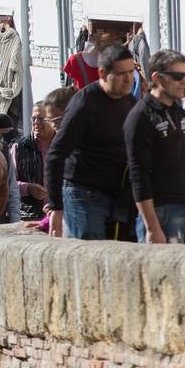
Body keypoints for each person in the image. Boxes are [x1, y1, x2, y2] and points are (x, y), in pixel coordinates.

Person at [124, 49, 185, 245]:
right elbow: (138, 175)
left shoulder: (177, 112)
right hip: (162, 211)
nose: (184, 82)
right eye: (178, 76)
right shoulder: (141, 117)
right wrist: (152, 227)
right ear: (157, 78)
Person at [45, 45, 140, 240]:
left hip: (118, 195)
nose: (128, 79)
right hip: (83, 194)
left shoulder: (130, 102)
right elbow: (56, 154)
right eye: (121, 73)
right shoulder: (84, 102)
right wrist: (56, 207)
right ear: (103, 73)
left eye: (131, 72)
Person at [15, 89, 75, 222]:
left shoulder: (65, 146)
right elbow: (9, 184)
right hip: (31, 217)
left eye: (41, 119)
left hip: (63, 215)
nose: (36, 123)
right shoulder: (20, 147)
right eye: (33, 118)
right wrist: (28, 188)